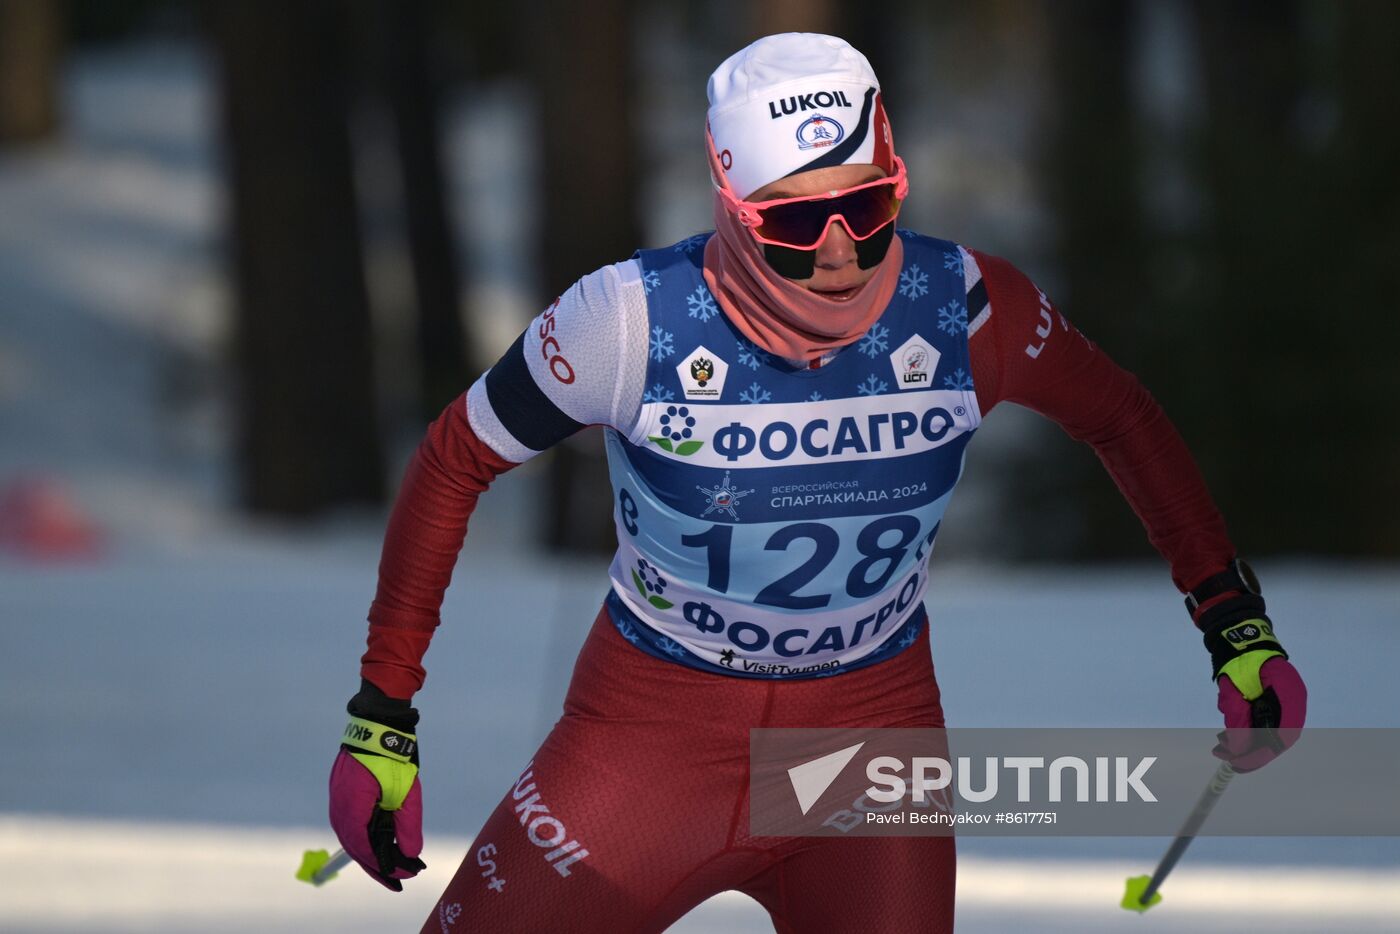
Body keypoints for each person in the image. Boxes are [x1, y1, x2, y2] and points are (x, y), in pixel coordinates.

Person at [326, 33, 1308, 933]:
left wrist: (1231, 621)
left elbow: (1121, 416)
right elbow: (458, 456)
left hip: (868, 752)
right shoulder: (628, 320)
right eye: (796, 220)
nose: (838, 249)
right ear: (728, 195)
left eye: (869, 206)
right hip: (649, 739)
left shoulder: (965, 309)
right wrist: (383, 713)